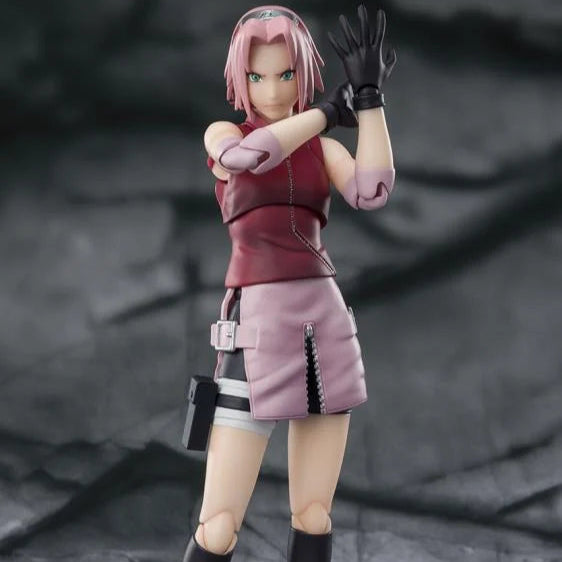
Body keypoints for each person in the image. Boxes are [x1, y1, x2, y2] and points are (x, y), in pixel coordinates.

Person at [182, 4, 396, 561]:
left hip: (324, 322)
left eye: (286, 74)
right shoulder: (225, 133)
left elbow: (372, 191)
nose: (273, 91)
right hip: (257, 327)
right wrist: (326, 113)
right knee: (218, 525)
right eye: (257, 77)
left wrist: (369, 102)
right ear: (240, 79)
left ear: (303, 73)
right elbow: (249, 158)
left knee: (315, 514)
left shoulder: (324, 148)